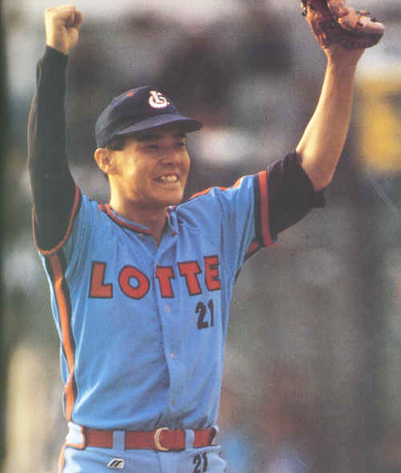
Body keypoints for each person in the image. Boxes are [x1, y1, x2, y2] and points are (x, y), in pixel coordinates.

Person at [28, 3, 383, 472]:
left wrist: (341, 64)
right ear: (106, 160)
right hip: (105, 458)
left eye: (178, 144)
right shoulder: (81, 233)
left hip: (199, 459)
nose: (171, 158)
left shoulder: (213, 222)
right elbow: (47, 168)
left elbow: (309, 172)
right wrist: (54, 58)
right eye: (151, 146)